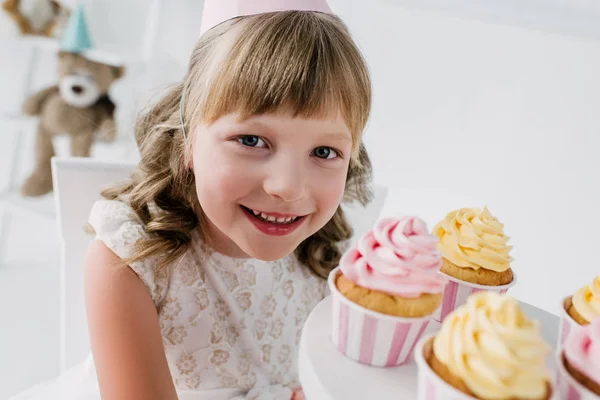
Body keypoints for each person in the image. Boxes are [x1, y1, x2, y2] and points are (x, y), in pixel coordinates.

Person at [11, 0, 373, 398]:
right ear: (187, 139)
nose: (287, 187)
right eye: (251, 140)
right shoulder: (131, 262)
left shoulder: (325, 253)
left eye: (324, 152)